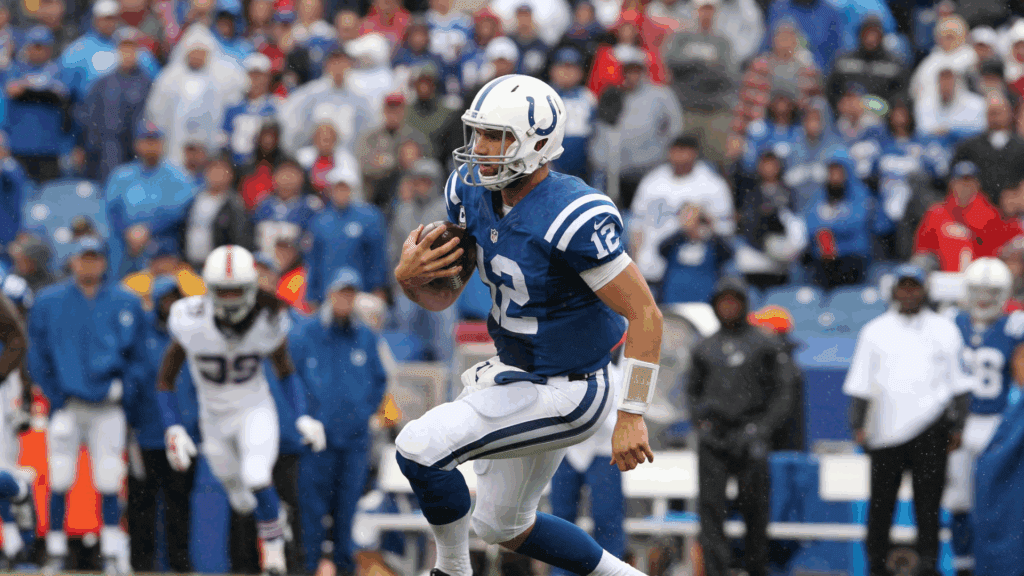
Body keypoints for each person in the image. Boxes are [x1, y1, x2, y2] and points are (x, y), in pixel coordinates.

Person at [393, 74, 661, 576]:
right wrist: (408, 280)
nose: (482, 148)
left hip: (571, 388)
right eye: (479, 134)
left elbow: (646, 313)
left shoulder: (571, 213)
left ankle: (451, 571)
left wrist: (632, 412)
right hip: (519, 373)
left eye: (498, 137)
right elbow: (444, 295)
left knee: (419, 445)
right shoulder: (470, 190)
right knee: (502, 525)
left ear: (538, 143)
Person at [155, 245, 328, 576]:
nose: (231, 299)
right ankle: (275, 519)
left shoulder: (270, 318)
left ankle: (274, 556)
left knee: (256, 475)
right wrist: (173, 427)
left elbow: (286, 371)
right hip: (213, 420)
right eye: (224, 291)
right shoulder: (190, 320)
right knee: (240, 499)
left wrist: (302, 415)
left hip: (254, 410)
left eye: (237, 290)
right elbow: (165, 380)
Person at [844, 264, 973, 576]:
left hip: (931, 428)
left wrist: (958, 426)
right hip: (885, 431)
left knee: (928, 507)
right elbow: (860, 384)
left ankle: (929, 567)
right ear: (894, 291)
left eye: (915, 287)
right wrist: (857, 424)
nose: (909, 293)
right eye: (904, 287)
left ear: (925, 290)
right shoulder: (874, 331)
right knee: (880, 506)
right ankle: (876, 566)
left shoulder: (945, 329)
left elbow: (959, 384)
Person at [27, 237, 146, 576]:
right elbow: (38, 354)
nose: (89, 265)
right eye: (84, 258)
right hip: (68, 404)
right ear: (73, 261)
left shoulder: (125, 301)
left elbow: (139, 357)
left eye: (95, 258)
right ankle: (55, 550)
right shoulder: (50, 301)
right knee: (60, 476)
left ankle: (111, 550)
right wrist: (55, 396)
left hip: (107, 405)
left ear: (104, 261)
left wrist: (124, 388)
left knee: (109, 477)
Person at [687, 276, 797, 576]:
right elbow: (691, 392)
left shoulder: (765, 343)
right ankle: (716, 571)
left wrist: (761, 429)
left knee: (756, 512)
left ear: (745, 303)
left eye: (735, 300)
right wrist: (702, 425)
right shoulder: (704, 347)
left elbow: (783, 391)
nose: (729, 306)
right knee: (710, 512)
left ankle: (756, 569)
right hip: (714, 439)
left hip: (752, 436)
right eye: (724, 301)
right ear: (715, 305)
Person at [290, 268, 389, 575]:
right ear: (329, 294)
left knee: (347, 515)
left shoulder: (365, 337)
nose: (345, 299)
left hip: (354, 442)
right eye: (340, 292)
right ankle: (308, 569)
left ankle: (346, 570)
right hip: (315, 443)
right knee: (311, 516)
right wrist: (305, 417)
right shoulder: (306, 334)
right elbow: (289, 379)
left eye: (351, 293)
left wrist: (362, 412)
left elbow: (379, 380)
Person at [944, 258, 1024, 576]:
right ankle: (964, 564)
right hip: (961, 424)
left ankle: (995, 563)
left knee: (997, 502)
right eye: (978, 290)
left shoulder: (1014, 325)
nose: (984, 298)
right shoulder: (951, 322)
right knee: (959, 501)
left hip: (997, 424)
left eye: (992, 291)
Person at [124, 276, 197, 574]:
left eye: (174, 299)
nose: (170, 304)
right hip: (147, 433)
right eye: (165, 299)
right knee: (142, 504)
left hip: (184, 432)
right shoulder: (141, 336)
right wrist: (131, 423)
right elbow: (133, 381)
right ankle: (142, 565)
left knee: (180, 504)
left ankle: (180, 564)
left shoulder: (191, 336)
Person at [104, 121, 196, 278]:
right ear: (137, 144)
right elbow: (111, 209)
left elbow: (180, 210)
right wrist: (128, 231)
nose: (151, 146)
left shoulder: (178, 176)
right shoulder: (122, 174)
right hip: (126, 244)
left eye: (155, 141)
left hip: (163, 245)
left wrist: (148, 229)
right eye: (146, 141)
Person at [914, 161, 1024, 272]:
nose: (965, 186)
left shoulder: (989, 214)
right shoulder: (936, 213)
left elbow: (1007, 240)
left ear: (977, 185)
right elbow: (922, 248)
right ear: (952, 183)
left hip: (977, 277)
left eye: (969, 182)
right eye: (961, 182)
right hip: (942, 276)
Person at [306, 164, 388, 306]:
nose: (341, 192)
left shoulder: (369, 217)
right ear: (330, 190)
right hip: (327, 294)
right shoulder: (320, 221)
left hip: (362, 294)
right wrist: (312, 295)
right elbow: (314, 260)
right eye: (337, 187)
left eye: (345, 187)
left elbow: (377, 256)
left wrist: (378, 287)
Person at [78, 27, 153, 184]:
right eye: (124, 48)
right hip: (107, 152)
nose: (128, 53)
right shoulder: (103, 84)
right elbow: (89, 118)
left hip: (137, 153)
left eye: (132, 48)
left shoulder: (148, 84)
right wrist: (86, 148)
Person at [3, 25, 70, 183]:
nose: (38, 51)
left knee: (48, 197)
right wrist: (40, 89)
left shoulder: (58, 70)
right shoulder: (15, 69)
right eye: (34, 46)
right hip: (19, 145)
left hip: (48, 147)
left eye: (42, 47)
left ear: (49, 49)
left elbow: (62, 94)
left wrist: (28, 89)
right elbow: (12, 91)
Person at [0, 282, 32, 568]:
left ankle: (17, 544)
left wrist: (25, 401)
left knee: (1, 470)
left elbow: (17, 340)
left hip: (3, 390)